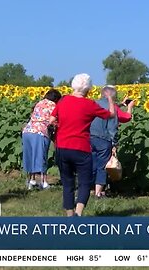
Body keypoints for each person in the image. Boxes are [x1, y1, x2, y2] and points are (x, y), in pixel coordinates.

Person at [50, 73, 115, 217]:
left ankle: (69, 215)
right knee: (84, 182)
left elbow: (51, 119)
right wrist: (110, 98)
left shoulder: (63, 101)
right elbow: (111, 114)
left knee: (67, 183)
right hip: (81, 148)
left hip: (62, 147)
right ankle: (78, 214)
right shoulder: (89, 104)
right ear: (88, 89)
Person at [90, 85, 134, 198]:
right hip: (103, 139)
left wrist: (120, 104)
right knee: (103, 165)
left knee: (92, 164)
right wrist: (129, 107)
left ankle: (90, 188)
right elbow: (124, 118)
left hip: (89, 138)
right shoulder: (113, 108)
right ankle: (98, 193)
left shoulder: (93, 103)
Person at [22, 89, 61, 190]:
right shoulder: (53, 105)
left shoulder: (39, 103)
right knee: (41, 156)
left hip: (27, 130)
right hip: (40, 132)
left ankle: (31, 180)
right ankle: (44, 182)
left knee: (30, 156)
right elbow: (55, 120)